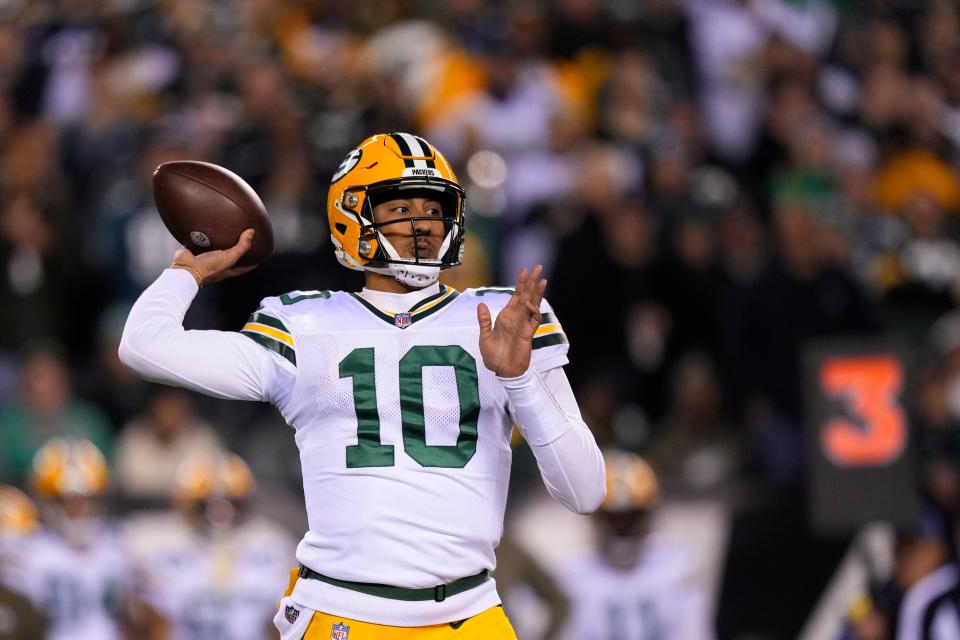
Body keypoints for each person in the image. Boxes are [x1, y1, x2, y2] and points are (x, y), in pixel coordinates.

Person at [119, 132, 606, 638]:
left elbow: (586, 492)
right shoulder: (304, 324)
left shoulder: (502, 316)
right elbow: (142, 345)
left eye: (433, 208)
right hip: (344, 613)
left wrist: (520, 377)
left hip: (472, 613)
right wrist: (187, 270)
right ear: (353, 218)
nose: (422, 226)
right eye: (401, 208)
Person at [128, 452, 294, 640]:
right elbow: (151, 625)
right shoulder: (158, 548)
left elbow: (281, 625)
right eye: (205, 505)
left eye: (231, 504)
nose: (220, 514)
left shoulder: (271, 547)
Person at [556, 450, 712, 640]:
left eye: (630, 517)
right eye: (613, 518)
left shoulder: (679, 568)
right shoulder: (570, 578)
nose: (622, 528)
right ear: (596, 519)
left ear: (647, 517)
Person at [11, 438, 131, 640]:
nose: (78, 512)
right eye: (66, 502)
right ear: (47, 502)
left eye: (86, 501)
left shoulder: (117, 546)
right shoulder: (28, 554)